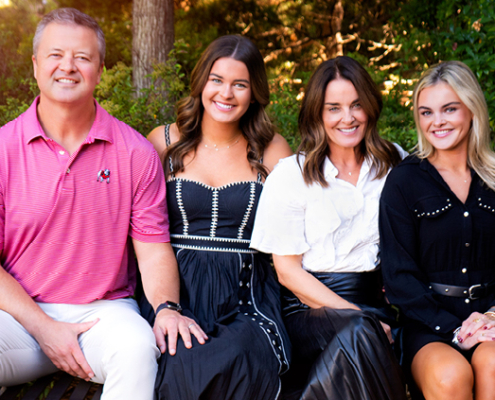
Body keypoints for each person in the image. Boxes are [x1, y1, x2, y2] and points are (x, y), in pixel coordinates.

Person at [0, 8, 206, 400]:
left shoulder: (135, 152)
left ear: (100, 68)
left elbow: (153, 250)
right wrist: (45, 327)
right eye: (55, 54)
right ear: (35, 65)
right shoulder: (2, 149)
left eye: (82, 57)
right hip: (18, 318)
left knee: (136, 351)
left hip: (103, 316)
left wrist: (166, 307)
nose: (68, 67)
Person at [141, 34, 293, 400]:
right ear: (201, 83)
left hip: (246, 293)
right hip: (176, 288)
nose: (226, 93)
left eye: (239, 84)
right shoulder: (164, 142)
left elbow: (293, 231)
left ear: (254, 92)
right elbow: (138, 227)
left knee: (240, 357)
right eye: (217, 80)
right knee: (182, 361)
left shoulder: (272, 149)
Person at [251, 56, 408, 400]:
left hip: (375, 302)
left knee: (361, 334)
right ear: (317, 114)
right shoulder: (292, 174)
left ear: (370, 106)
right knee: (359, 332)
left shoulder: (394, 164)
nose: (347, 118)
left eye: (356, 105)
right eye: (333, 108)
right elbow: (288, 272)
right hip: (309, 309)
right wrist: (360, 317)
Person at [380, 61, 495, 400]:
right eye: (426, 112)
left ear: (471, 110)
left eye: (449, 109)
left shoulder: (493, 179)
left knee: (493, 364)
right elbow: (399, 276)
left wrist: (490, 316)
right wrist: (456, 329)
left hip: (489, 316)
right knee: (450, 375)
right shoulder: (404, 181)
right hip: (427, 323)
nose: (437, 121)